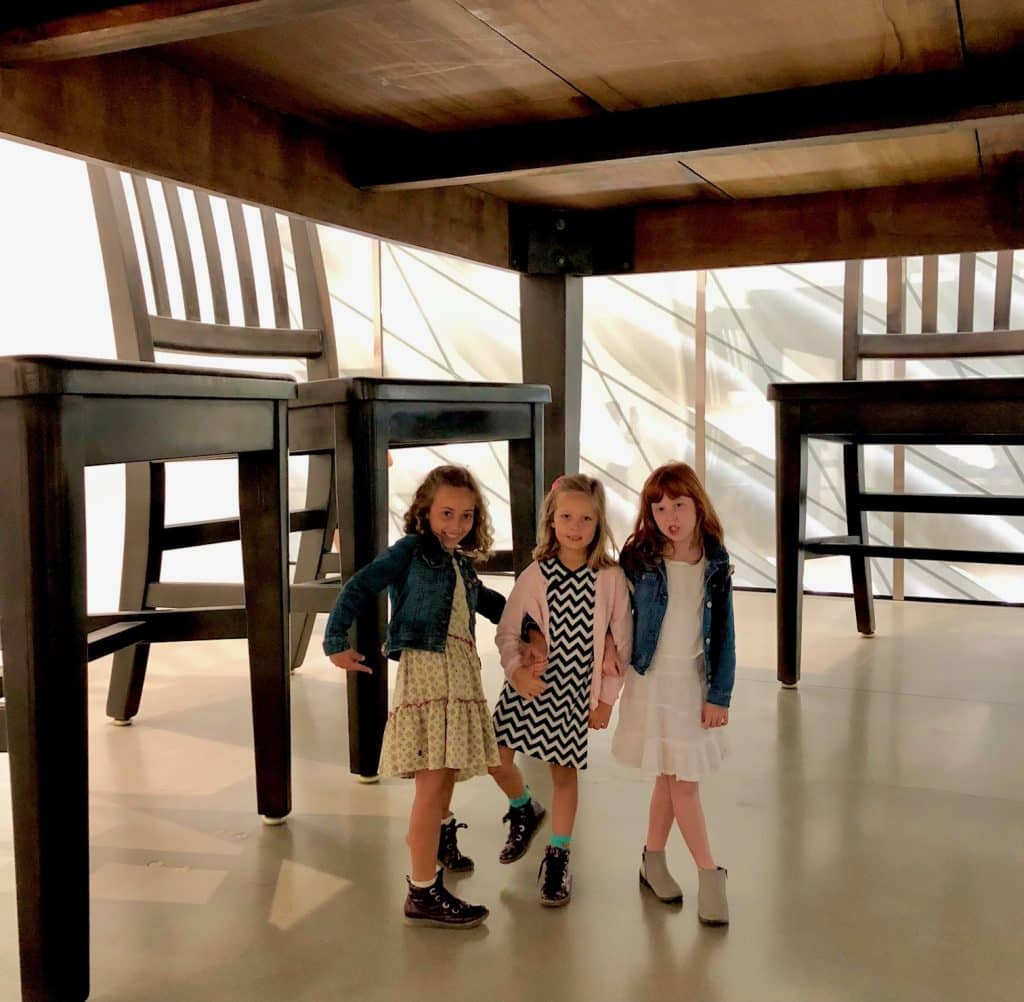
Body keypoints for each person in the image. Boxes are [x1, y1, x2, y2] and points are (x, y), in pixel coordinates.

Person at [324, 464, 503, 929]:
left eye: (466, 516)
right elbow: (361, 583)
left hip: (460, 675)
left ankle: (439, 848)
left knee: (442, 780)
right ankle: (422, 890)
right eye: (446, 513)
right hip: (431, 674)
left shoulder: (459, 562)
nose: (456, 524)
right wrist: (334, 640)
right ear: (425, 511)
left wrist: (529, 622)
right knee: (431, 783)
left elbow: (485, 603)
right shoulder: (412, 552)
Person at [490, 474, 632, 907]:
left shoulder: (609, 577)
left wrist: (607, 698)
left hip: (573, 694)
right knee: (493, 757)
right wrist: (517, 673)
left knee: (563, 775)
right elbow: (508, 631)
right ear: (551, 521)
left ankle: (558, 853)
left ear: (599, 524)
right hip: (528, 687)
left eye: (586, 519)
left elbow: (621, 642)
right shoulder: (536, 574)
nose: (575, 526)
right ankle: (523, 805)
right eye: (566, 517)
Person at [611, 462, 735, 926]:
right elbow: (615, 614)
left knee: (677, 779)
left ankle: (658, 860)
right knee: (672, 776)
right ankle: (706, 871)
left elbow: (725, 633)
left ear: (697, 505)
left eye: (679, 505)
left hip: (691, 685)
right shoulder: (641, 558)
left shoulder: (714, 560)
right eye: (659, 507)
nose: (670, 516)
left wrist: (720, 694)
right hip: (650, 682)